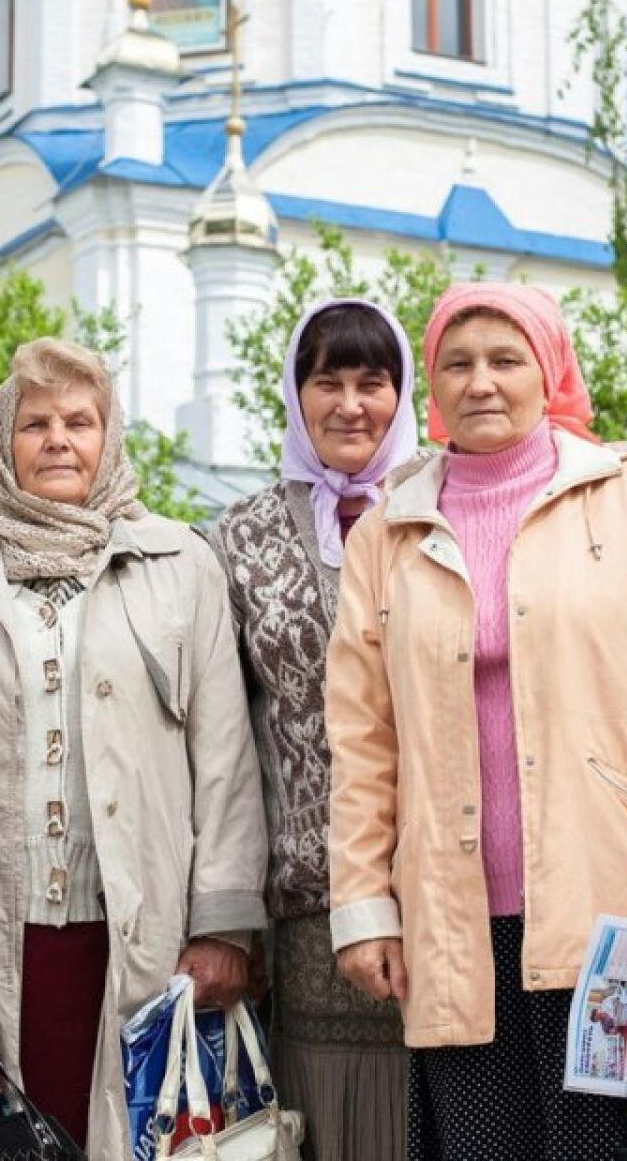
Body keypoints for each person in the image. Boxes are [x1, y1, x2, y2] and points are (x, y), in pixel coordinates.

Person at [325, 283, 627, 1160]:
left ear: (549, 370)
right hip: (454, 918)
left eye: (506, 360)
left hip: (619, 904)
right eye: (458, 364)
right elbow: (363, 739)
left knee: (622, 1143)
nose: (481, 383)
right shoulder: (389, 532)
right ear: (429, 388)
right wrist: (365, 904)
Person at [0, 338, 267, 1159]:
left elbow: (226, 759)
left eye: (79, 420)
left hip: (140, 933)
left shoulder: (180, 564)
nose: (58, 439)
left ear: (110, 439)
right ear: (3, 443)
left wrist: (223, 927)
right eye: (35, 423)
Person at [209, 298, 417, 1161]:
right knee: (317, 1127)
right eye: (326, 381)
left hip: (445, 892)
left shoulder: (443, 507)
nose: (350, 404)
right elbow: (221, 729)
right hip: (302, 906)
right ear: (296, 397)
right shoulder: (239, 535)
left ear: (403, 395)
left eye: (373, 381)